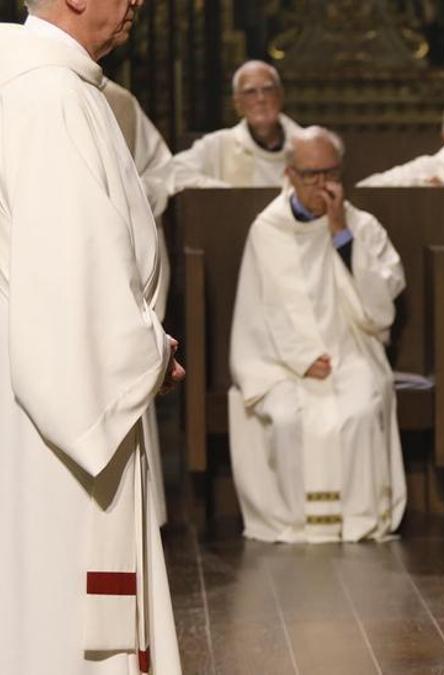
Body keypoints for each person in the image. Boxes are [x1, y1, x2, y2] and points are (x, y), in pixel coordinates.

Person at [0, 2, 186, 672]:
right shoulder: (51, 97)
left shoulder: (36, 81)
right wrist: (151, 352)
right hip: (63, 420)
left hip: (27, 398)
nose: (137, 1)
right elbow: (76, 285)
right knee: (68, 615)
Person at [228, 126, 407, 543]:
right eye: (311, 175)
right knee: (290, 418)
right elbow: (259, 312)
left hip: (352, 351)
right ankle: (300, 524)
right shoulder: (267, 230)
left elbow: (381, 305)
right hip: (282, 362)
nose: (322, 185)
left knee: (360, 411)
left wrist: (341, 234)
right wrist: (301, 359)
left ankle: (358, 521)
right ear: (289, 174)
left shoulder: (361, 226)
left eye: (330, 173)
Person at [100, 77, 175, 526]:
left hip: (119, 262)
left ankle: (141, 517)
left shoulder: (120, 101)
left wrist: (130, 192)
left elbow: (162, 171)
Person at [144, 59, 302, 198]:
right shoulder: (218, 145)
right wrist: (223, 192)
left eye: (267, 90)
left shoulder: (307, 145)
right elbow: (172, 172)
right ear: (237, 103)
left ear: (280, 95)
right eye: (250, 92)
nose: (260, 99)